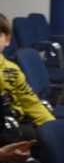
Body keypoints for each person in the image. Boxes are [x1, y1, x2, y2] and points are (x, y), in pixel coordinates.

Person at [0, 14, 54, 142]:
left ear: (7, 40)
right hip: (5, 127)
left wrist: (51, 126)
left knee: (51, 136)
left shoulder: (11, 69)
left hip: (16, 122)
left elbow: (30, 101)